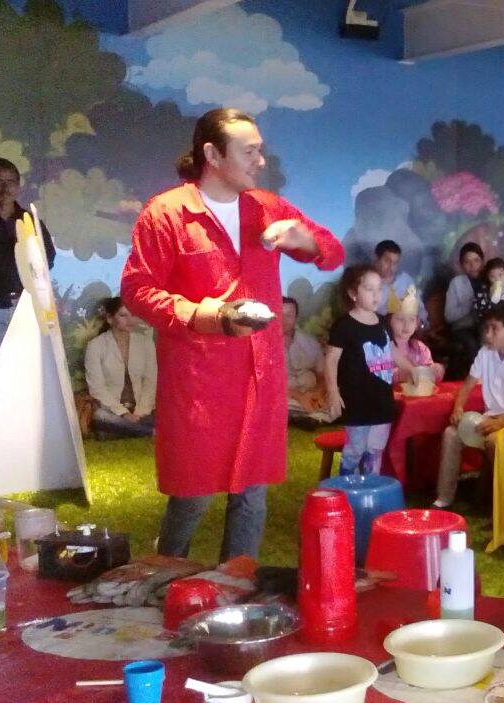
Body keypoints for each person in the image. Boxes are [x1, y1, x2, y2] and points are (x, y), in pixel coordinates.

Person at [121, 108, 343, 560]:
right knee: (193, 495)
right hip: (200, 382)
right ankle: (161, 575)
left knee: (252, 495)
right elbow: (137, 290)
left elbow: (332, 252)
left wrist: (304, 240)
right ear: (212, 154)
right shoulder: (167, 213)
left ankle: (236, 586)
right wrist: (206, 315)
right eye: (250, 151)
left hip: (261, 379)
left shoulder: (267, 207)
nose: (261, 161)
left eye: (261, 150)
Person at [435, 302, 504, 507]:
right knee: (451, 434)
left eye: (494, 329)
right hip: (489, 418)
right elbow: (468, 384)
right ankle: (444, 498)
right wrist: (458, 408)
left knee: (492, 441)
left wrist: (501, 423)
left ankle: (502, 503)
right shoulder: (485, 352)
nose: (488, 334)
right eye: (487, 328)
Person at [325, 266, 396, 475]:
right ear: (353, 293)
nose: (376, 295)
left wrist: (412, 369)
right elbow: (331, 360)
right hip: (356, 403)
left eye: (379, 288)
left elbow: (392, 351)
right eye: (369, 289)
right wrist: (333, 392)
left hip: (382, 402)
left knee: (375, 451)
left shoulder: (383, 323)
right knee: (355, 450)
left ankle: (369, 490)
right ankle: (346, 489)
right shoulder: (344, 326)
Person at [0, 157, 55, 357]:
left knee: (23, 361)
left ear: (18, 186)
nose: (5, 188)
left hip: (25, 305)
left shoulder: (30, 221)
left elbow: (48, 259)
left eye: (10, 182)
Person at [84, 298, 156, 438]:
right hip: (112, 410)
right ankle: (149, 431)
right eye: (123, 315)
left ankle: (122, 430)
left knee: (168, 413)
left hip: (142, 409)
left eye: (132, 315)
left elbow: (151, 381)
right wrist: (124, 413)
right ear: (110, 319)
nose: (130, 320)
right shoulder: (96, 345)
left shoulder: (145, 343)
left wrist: (140, 412)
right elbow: (96, 388)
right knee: (100, 416)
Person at [281, 296, 328, 425]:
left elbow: (323, 375)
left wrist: (318, 392)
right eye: (279, 314)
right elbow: (265, 384)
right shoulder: (263, 345)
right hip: (285, 396)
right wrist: (299, 396)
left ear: (296, 318)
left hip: (311, 393)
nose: (283, 320)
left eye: (289, 315)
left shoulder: (310, 342)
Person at [444, 241, 485, 378]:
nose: (472, 266)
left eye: (476, 260)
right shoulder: (456, 283)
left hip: (486, 327)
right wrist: (470, 304)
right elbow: (449, 316)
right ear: (461, 265)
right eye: (467, 262)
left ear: (482, 261)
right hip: (463, 328)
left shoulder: (489, 279)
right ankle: (474, 381)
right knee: (471, 344)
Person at [388, 287, 444, 383]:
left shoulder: (421, 349)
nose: (406, 325)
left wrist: (435, 370)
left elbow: (428, 372)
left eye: (411, 319)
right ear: (389, 321)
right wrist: (400, 375)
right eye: (400, 319)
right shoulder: (381, 348)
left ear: (417, 323)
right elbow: (377, 374)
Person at [372, 240, 423, 324]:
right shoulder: (368, 282)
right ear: (376, 258)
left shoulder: (406, 280)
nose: (391, 267)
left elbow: (419, 308)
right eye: (387, 261)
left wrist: (421, 322)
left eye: (395, 263)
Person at [471, 257, 504, 322]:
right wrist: (492, 300)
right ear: (487, 277)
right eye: (492, 276)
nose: (497, 279)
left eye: (501, 275)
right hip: (490, 323)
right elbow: (479, 314)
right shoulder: (482, 292)